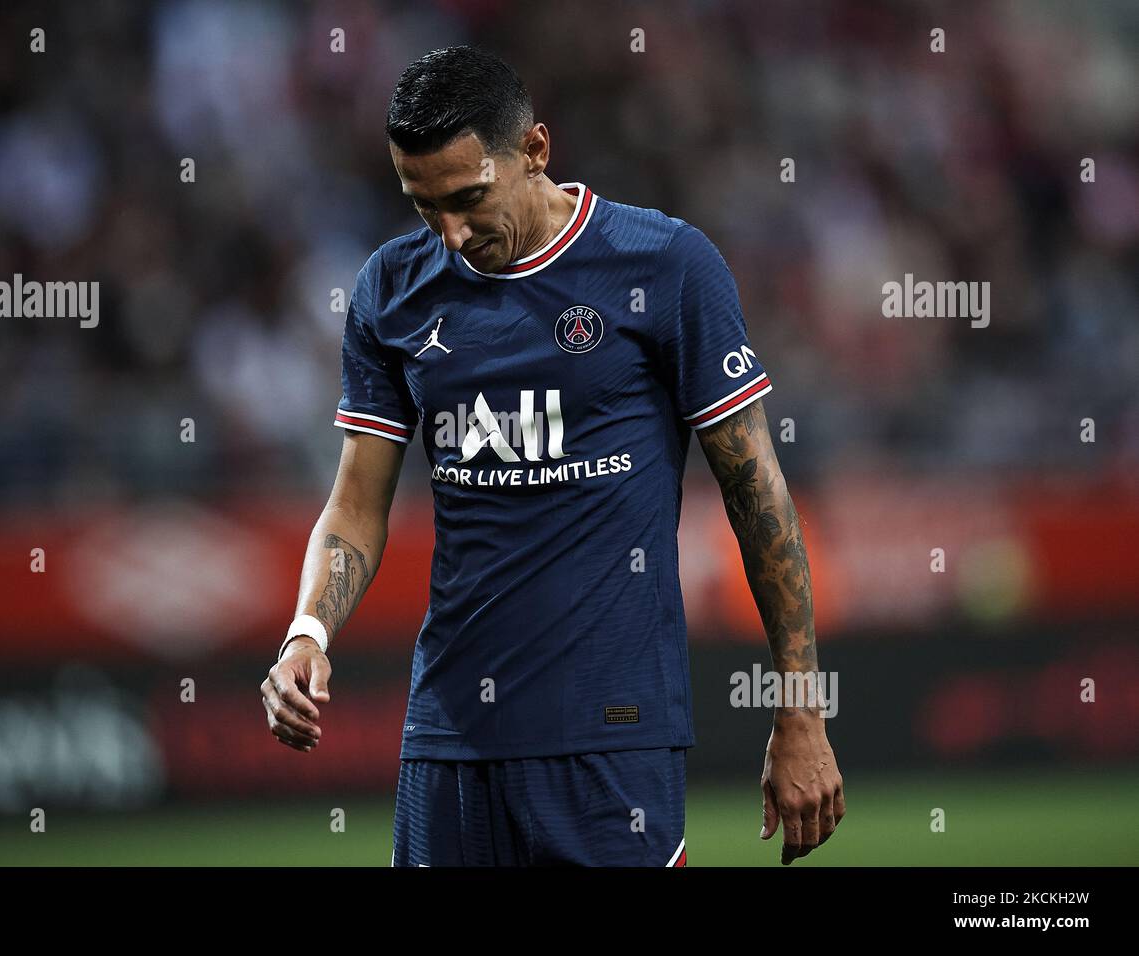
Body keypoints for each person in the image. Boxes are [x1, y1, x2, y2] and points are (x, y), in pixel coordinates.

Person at [261, 45, 844, 866]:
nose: (454, 234)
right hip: (450, 733)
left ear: (534, 150)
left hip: (612, 736)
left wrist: (801, 712)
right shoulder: (390, 292)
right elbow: (357, 501)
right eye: (425, 207)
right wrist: (307, 631)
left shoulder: (665, 266)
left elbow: (760, 499)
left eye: (469, 198)